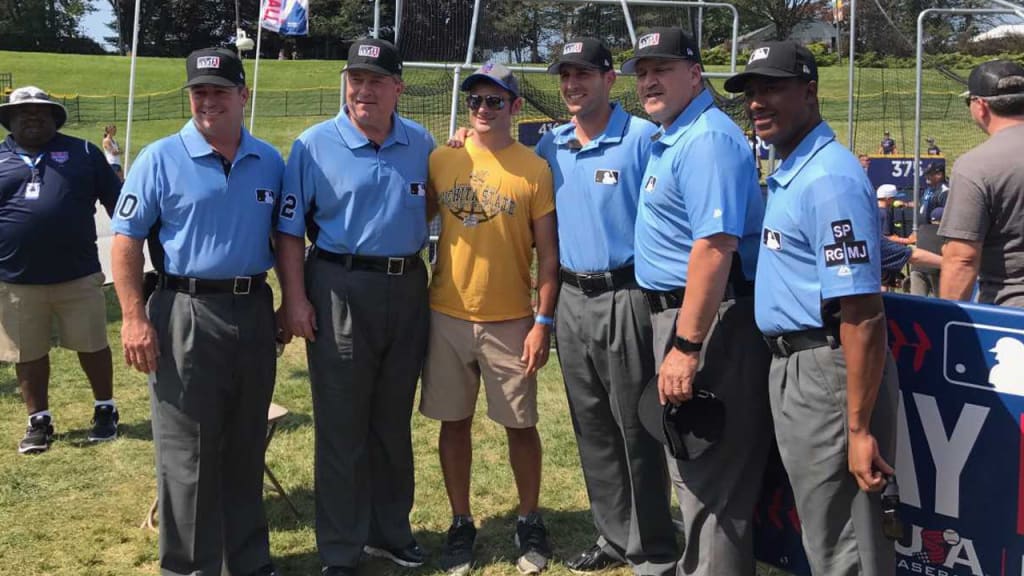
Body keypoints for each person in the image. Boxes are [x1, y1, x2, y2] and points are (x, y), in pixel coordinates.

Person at [111, 48, 284, 576]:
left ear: (243, 96)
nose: (208, 101)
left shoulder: (270, 161)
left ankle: (248, 563)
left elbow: (287, 237)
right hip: (183, 307)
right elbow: (125, 243)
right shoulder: (159, 158)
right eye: (198, 91)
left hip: (252, 306)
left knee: (245, 441)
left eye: (220, 90)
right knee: (187, 452)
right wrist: (134, 317)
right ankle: (188, 567)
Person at [726, 41, 897, 575]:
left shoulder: (828, 178)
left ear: (810, 91)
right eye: (752, 92)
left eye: (773, 87)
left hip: (827, 364)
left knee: (847, 540)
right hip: (795, 363)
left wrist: (859, 428)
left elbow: (863, 313)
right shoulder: (796, 168)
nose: (757, 102)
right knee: (825, 531)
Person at [275, 38, 434, 576]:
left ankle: (390, 532)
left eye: (375, 81)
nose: (363, 90)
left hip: (407, 287)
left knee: (393, 420)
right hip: (339, 285)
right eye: (355, 80)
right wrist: (294, 299)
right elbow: (290, 232)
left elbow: (437, 201)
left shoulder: (422, 143)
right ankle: (341, 548)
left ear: (397, 88)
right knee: (342, 425)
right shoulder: (313, 145)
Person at [626, 28, 772, 575]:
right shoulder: (678, 134)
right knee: (693, 472)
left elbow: (714, 249)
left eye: (662, 68)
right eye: (641, 71)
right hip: (683, 311)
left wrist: (686, 345)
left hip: (710, 319)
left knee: (712, 481)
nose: (649, 81)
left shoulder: (707, 139)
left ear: (695, 74)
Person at [535, 38, 680, 575]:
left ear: (608, 80)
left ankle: (653, 547)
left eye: (584, 75)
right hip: (571, 297)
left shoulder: (643, 138)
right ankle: (614, 535)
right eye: (565, 76)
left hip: (626, 294)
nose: (573, 85)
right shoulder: (550, 145)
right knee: (591, 424)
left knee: (636, 426)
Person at [422, 62, 558, 575]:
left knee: (520, 426)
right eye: (476, 100)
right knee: (452, 423)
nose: (483, 109)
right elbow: (417, 217)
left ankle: (528, 519)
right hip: (447, 314)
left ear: (515, 107)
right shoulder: (442, 158)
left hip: (510, 321)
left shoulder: (534, 169)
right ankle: (461, 522)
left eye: (495, 101)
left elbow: (548, 256)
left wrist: (542, 321)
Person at [0, 85, 121, 454]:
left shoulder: (83, 152)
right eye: (23, 112)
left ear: (55, 117)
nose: (33, 117)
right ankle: (39, 420)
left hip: (78, 273)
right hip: (16, 279)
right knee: (27, 352)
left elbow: (119, 203)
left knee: (93, 343)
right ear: (10, 120)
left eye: (41, 111)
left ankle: (105, 409)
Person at [939, 60, 1024, 306]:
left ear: (980, 105)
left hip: (1010, 316)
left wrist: (947, 323)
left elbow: (962, 260)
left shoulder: (975, 166)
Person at [911, 208, 945, 297]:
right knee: (941, 302)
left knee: (917, 301)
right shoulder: (945, 233)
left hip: (917, 267)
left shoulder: (922, 228)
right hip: (936, 268)